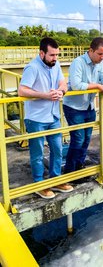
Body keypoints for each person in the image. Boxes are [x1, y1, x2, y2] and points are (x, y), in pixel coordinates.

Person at [18, 37, 73, 199]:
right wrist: (44, 95)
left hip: (53, 116)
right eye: (52, 55)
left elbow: (63, 83)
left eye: (57, 55)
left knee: (57, 149)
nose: (55, 58)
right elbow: (22, 90)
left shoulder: (54, 66)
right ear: (42, 53)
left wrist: (61, 91)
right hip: (36, 118)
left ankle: (55, 180)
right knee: (38, 153)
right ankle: (39, 184)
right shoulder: (32, 68)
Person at [63, 37, 103, 174]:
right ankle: (70, 171)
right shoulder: (78, 63)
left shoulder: (99, 64)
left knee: (86, 140)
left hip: (89, 107)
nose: (102, 57)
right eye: (100, 54)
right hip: (75, 107)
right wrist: (98, 85)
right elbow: (76, 85)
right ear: (90, 50)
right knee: (78, 140)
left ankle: (79, 168)